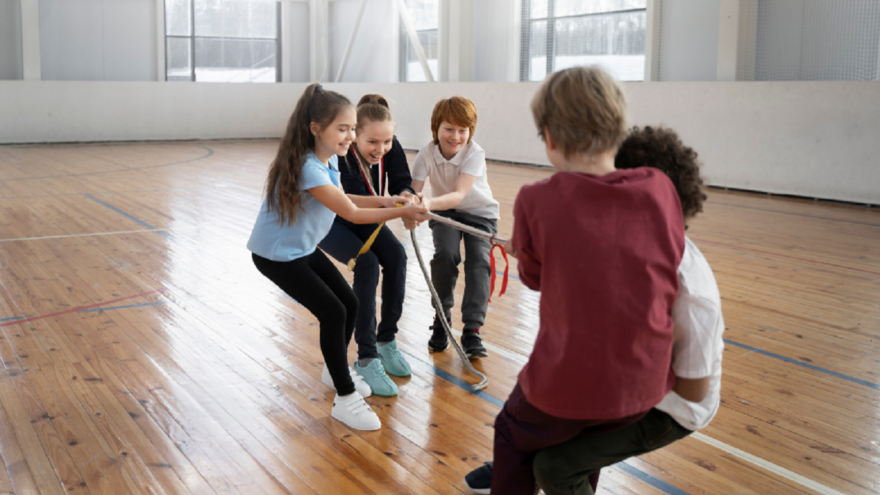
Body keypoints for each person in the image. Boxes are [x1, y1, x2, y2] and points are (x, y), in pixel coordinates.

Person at [464, 126, 724, 494]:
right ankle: (524, 457)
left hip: (670, 409)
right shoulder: (628, 247)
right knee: (560, 425)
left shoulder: (694, 291)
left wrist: (628, 369)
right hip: (623, 383)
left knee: (556, 467)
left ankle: (527, 459)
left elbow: (694, 391)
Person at [247, 84, 426, 431]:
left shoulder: (325, 162)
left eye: (352, 129)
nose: (350, 136)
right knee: (334, 311)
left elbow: (353, 200)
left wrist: (396, 202)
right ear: (316, 128)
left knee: (350, 303)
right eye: (342, 129)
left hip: (300, 250)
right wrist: (400, 211)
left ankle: (335, 370)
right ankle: (345, 398)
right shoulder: (309, 168)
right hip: (277, 256)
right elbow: (352, 213)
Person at [318, 94, 417, 397]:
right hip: (333, 220)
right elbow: (349, 205)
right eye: (372, 142)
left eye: (386, 142)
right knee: (367, 263)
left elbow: (402, 179)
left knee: (397, 256)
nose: (381, 149)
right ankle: (366, 357)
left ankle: (386, 340)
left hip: (367, 215)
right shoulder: (341, 153)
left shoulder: (390, 144)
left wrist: (408, 196)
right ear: (355, 134)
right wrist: (398, 208)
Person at [407, 96, 500, 358]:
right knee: (445, 255)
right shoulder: (425, 155)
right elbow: (413, 192)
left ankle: (472, 330)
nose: (456, 136)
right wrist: (412, 206)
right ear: (436, 128)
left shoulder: (475, 154)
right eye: (449, 128)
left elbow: (459, 194)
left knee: (479, 262)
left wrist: (429, 203)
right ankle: (441, 318)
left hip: (479, 214)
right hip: (445, 212)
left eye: (463, 130)